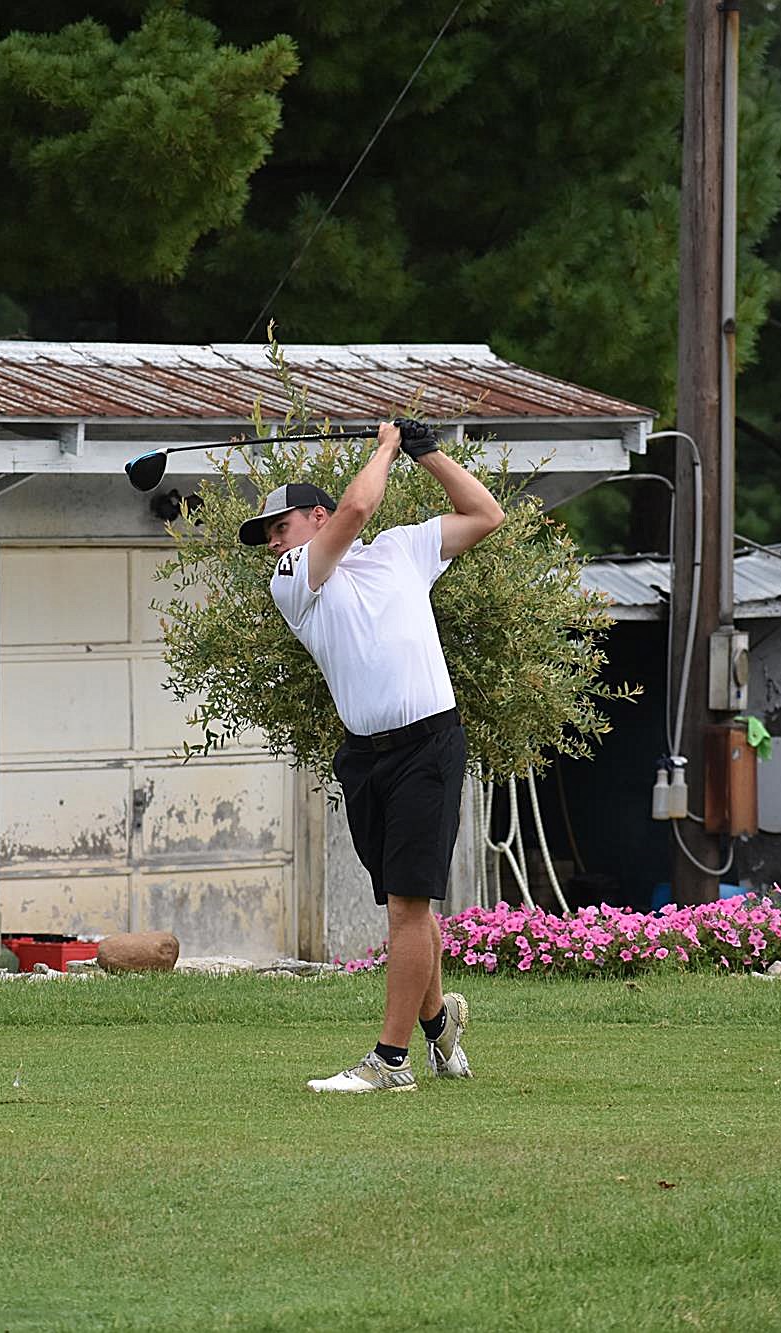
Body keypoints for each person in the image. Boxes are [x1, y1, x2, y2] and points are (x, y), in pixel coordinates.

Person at [240, 419, 504, 1092]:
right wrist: (387, 445)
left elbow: (485, 513)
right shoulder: (294, 578)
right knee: (405, 902)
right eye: (268, 533)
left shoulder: (401, 550)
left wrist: (427, 453)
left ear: (314, 514)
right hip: (365, 757)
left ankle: (390, 1062)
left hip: (429, 744)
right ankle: (441, 1025)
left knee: (407, 908)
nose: (272, 540)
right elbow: (359, 505)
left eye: (280, 523)